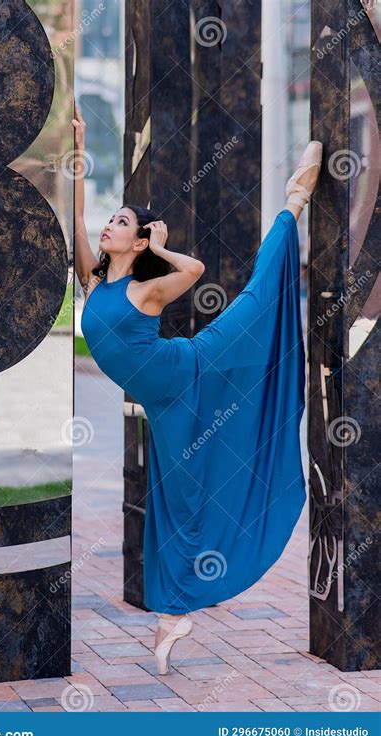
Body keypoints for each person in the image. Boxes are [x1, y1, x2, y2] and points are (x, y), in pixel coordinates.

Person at [72, 103, 322, 675]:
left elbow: (196, 270)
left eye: (122, 224)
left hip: (193, 369)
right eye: (111, 221)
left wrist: (158, 249)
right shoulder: (93, 282)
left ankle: (293, 206)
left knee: (258, 305)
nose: (110, 226)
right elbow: (75, 215)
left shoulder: (146, 292)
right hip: (165, 406)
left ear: (136, 244)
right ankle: (174, 614)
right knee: (178, 501)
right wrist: (80, 155)